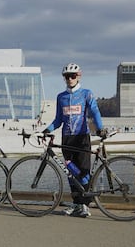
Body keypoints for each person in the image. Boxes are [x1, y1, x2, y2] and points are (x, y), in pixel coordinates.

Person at [42, 63, 104, 218]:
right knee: (70, 173)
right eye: (66, 76)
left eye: (73, 76)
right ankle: (76, 203)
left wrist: (100, 127)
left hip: (82, 137)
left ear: (79, 76)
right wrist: (47, 130)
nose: (70, 79)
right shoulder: (61, 97)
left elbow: (94, 111)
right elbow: (58, 120)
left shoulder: (86, 94)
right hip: (67, 139)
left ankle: (85, 205)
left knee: (83, 171)